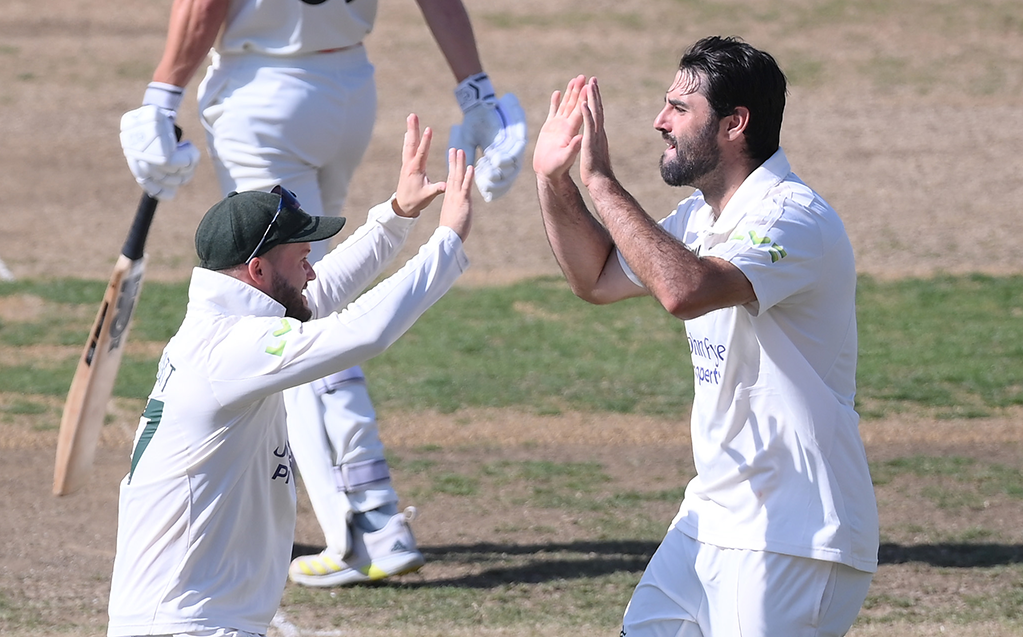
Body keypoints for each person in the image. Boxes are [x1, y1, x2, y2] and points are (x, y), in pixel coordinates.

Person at [116, 0, 526, 587]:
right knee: (298, 302)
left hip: (262, 90)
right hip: (350, 87)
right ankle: (368, 516)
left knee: (296, 286)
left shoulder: (226, 323)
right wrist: (475, 89)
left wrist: (162, 94)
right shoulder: (235, 340)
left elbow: (206, 4)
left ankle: (366, 524)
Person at [532, 36, 879, 636]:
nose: (659, 122)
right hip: (710, 517)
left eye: (679, 108)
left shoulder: (791, 217)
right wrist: (554, 179)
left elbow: (685, 291)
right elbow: (596, 278)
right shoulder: (699, 217)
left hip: (793, 533)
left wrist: (602, 182)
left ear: (734, 123)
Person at [107, 115, 474, 637]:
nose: (312, 270)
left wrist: (396, 216)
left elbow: (318, 297)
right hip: (188, 626)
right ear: (257, 271)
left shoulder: (228, 326)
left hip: (190, 620)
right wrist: (447, 241)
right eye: (302, 258)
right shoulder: (230, 350)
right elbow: (362, 332)